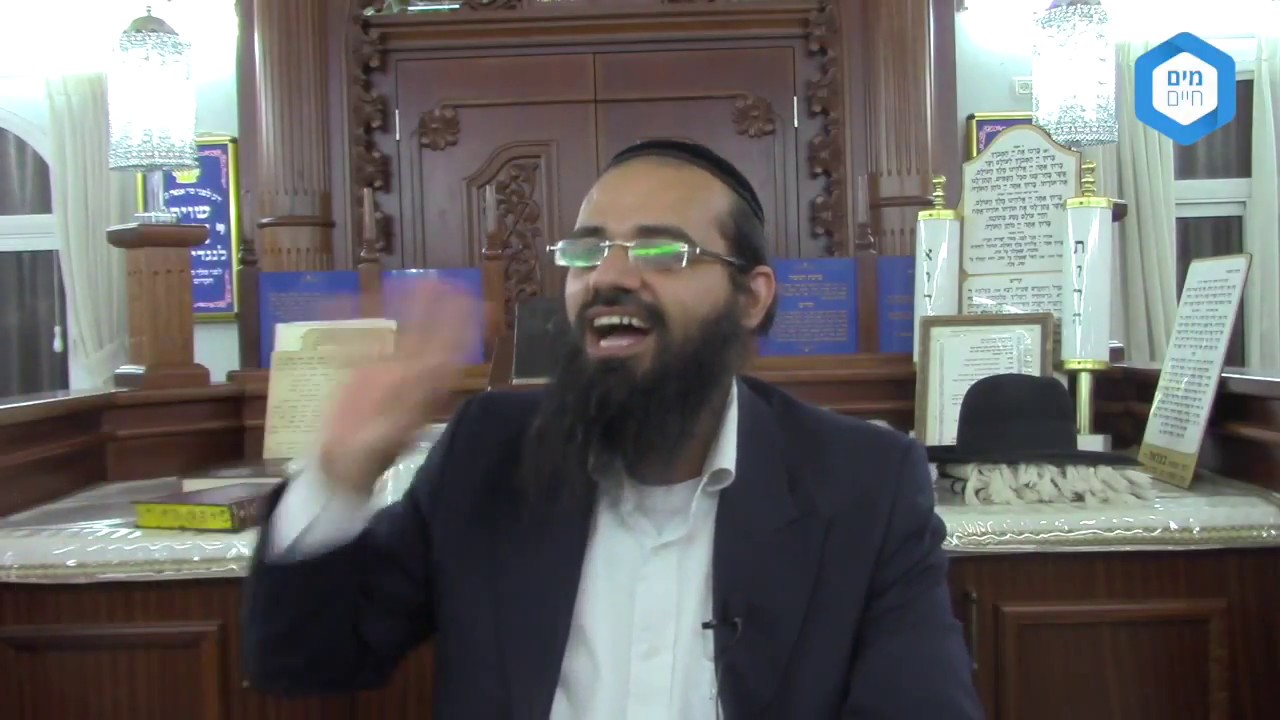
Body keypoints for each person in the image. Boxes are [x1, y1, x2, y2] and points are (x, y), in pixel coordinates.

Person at [242, 140, 983, 719]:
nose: (610, 276)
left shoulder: (862, 482)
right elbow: (306, 661)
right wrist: (337, 476)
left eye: (661, 251)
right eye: (587, 251)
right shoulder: (491, 452)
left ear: (751, 297)